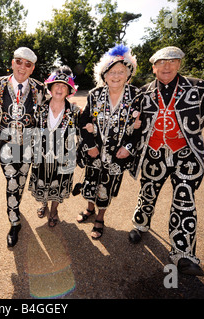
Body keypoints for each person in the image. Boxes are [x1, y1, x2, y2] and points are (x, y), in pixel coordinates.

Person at [128, 46, 204, 276]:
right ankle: (140, 224)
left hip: (185, 153)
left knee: (184, 199)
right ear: (153, 68)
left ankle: (183, 253)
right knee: (148, 190)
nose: (167, 66)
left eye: (172, 61)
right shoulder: (142, 93)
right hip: (153, 152)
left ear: (179, 64)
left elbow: (200, 120)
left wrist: (179, 138)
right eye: (161, 62)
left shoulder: (200, 88)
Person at [77, 45, 140, 240]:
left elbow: (142, 126)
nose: (116, 76)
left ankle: (100, 218)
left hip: (117, 154)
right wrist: (90, 145)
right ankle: (89, 209)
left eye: (121, 71)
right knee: (90, 181)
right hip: (95, 152)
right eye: (112, 72)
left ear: (128, 74)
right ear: (104, 75)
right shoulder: (95, 94)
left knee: (106, 186)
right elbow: (83, 120)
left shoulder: (136, 96)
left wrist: (128, 148)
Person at [0, 47, 46, 247]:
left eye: (27, 64)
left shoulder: (40, 88)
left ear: (32, 69)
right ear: (12, 63)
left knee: (20, 181)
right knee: (12, 180)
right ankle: (14, 222)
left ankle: (15, 205)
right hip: (5, 145)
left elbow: (48, 113)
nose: (22, 67)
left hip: (29, 146)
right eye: (19, 62)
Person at [29, 66, 79, 227]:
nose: (60, 88)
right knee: (43, 182)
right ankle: (43, 204)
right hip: (42, 156)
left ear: (69, 90)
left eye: (64, 86)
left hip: (64, 158)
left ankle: (54, 210)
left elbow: (85, 131)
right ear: (50, 87)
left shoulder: (75, 111)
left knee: (58, 184)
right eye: (56, 84)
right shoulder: (39, 108)